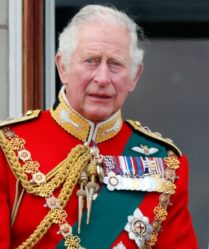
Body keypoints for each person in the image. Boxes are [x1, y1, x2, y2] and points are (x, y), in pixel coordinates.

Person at [0, 5, 198, 249]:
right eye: (91, 61)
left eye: (116, 64)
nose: (103, 78)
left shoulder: (165, 164)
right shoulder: (8, 146)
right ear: (63, 67)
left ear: (134, 76)